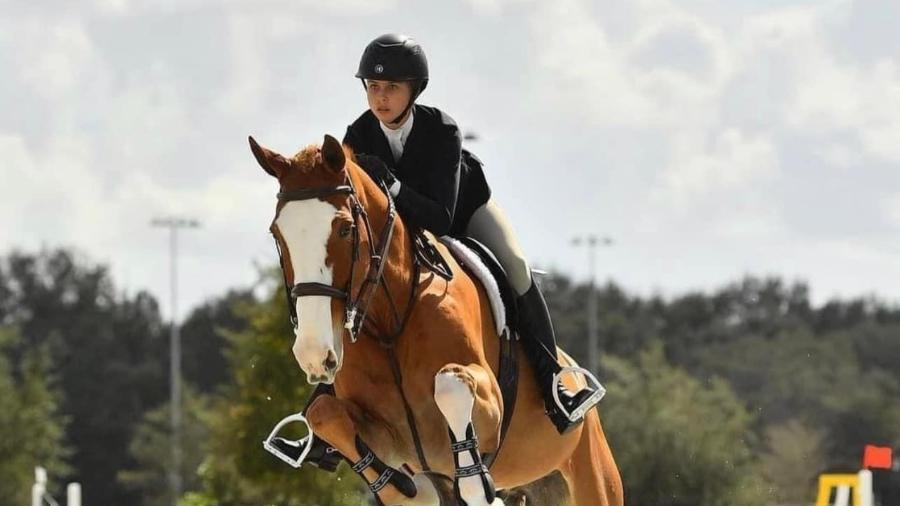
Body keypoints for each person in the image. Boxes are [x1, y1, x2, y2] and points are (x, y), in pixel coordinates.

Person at [267, 33, 602, 471]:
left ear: (413, 91)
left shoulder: (441, 130)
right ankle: (328, 404)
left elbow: (441, 219)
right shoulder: (357, 135)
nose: (381, 98)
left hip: (463, 215)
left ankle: (555, 380)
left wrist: (394, 185)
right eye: (373, 87)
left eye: (392, 88)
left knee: (516, 268)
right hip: (401, 235)